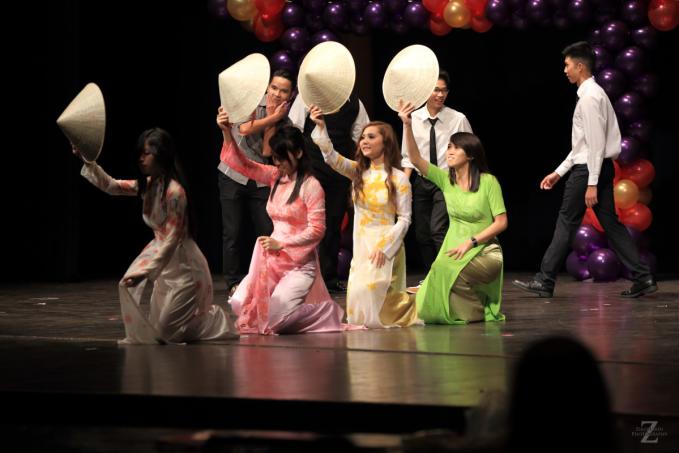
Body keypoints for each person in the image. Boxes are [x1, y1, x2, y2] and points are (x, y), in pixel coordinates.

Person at [513, 41, 657, 298]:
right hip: (594, 166)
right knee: (611, 225)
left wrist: (591, 182)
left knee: (566, 221)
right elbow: (583, 145)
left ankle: (545, 280)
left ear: (580, 67)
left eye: (567, 65)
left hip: (590, 169)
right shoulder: (594, 94)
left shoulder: (590, 98)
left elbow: (596, 144)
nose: (564, 70)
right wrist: (559, 172)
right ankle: (643, 276)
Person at [73, 128, 239, 344]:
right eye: (140, 153)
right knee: (158, 331)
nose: (141, 158)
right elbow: (112, 186)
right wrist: (88, 162)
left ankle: (214, 320)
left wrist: (146, 272)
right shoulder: (150, 185)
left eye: (147, 153)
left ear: (162, 155)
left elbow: (171, 240)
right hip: (164, 267)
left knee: (165, 334)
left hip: (185, 270)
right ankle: (194, 319)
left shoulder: (175, 192)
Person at [217, 107, 344, 335]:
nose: (277, 163)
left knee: (276, 318)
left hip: (299, 264)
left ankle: (324, 312)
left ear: (298, 153)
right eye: (275, 158)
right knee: (239, 303)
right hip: (272, 261)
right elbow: (244, 165)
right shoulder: (275, 176)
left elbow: (317, 230)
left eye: (281, 158)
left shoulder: (311, 186)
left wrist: (283, 244)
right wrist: (226, 131)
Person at [309, 105, 420, 329]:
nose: (364, 141)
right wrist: (321, 125)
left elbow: (405, 219)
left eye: (371, 137)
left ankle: (419, 300)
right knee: (359, 306)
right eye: (362, 138)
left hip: (386, 244)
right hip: (362, 245)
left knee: (375, 303)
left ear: (385, 143)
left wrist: (386, 248)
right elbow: (331, 157)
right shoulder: (358, 172)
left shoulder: (399, 179)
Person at [399, 101, 508, 324]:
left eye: (456, 148)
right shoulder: (446, 180)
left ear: (470, 155)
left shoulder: (488, 182)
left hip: (485, 251)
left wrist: (472, 242)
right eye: (448, 147)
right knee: (436, 277)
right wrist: (407, 125)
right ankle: (468, 310)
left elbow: (501, 222)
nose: (450, 152)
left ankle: (477, 310)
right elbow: (416, 159)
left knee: (448, 271)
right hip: (456, 249)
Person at [218, 69, 294, 298]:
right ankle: (232, 282)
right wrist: (272, 118)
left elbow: (266, 150)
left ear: (290, 96)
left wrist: (274, 120)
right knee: (232, 232)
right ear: (267, 87)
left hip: (261, 179)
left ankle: (270, 278)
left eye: (284, 91)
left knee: (267, 231)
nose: (277, 94)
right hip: (233, 174)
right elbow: (243, 129)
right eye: (274, 88)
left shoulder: (285, 119)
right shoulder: (249, 101)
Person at [289, 91, 370, 293]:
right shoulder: (308, 95)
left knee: (333, 224)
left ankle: (329, 279)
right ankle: (299, 276)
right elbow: (293, 129)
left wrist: (360, 173)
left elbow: (360, 136)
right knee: (305, 223)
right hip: (311, 168)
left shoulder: (354, 102)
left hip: (338, 171)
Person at [400, 71, 473, 288]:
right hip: (423, 180)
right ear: (425, 92)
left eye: (443, 90)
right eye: (435, 90)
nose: (440, 95)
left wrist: (466, 182)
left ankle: (449, 273)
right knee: (422, 233)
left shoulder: (457, 119)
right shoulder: (413, 119)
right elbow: (408, 157)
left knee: (437, 229)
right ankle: (433, 275)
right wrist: (403, 187)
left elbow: (471, 151)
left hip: (448, 179)